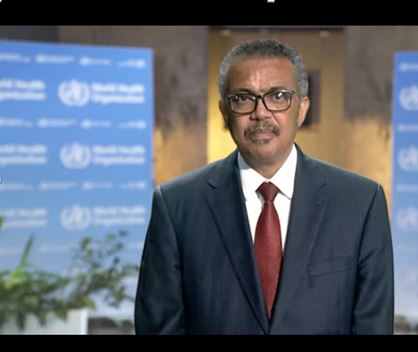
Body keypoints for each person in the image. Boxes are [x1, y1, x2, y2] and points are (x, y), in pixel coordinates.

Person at [135, 39, 394, 334]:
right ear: (224, 111)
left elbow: (374, 326)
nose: (260, 113)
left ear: (302, 108)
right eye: (243, 98)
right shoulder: (176, 205)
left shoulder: (360, 202)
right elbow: (159, 327)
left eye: (278, 96)